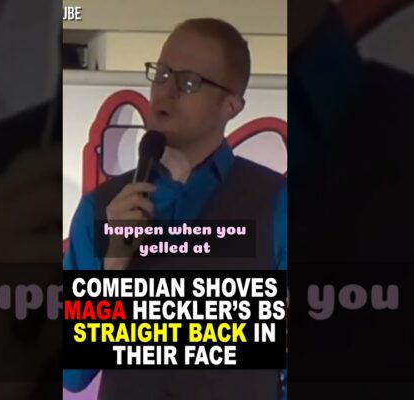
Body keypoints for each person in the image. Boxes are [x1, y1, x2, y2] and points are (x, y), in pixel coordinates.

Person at [63, 18, 287, 399]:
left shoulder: (276, 204)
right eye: (162, 74)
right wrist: (112, 268)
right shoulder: (101, 209)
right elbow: (73, 373)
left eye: (189, 82)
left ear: (230, 106)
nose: (166, 91)